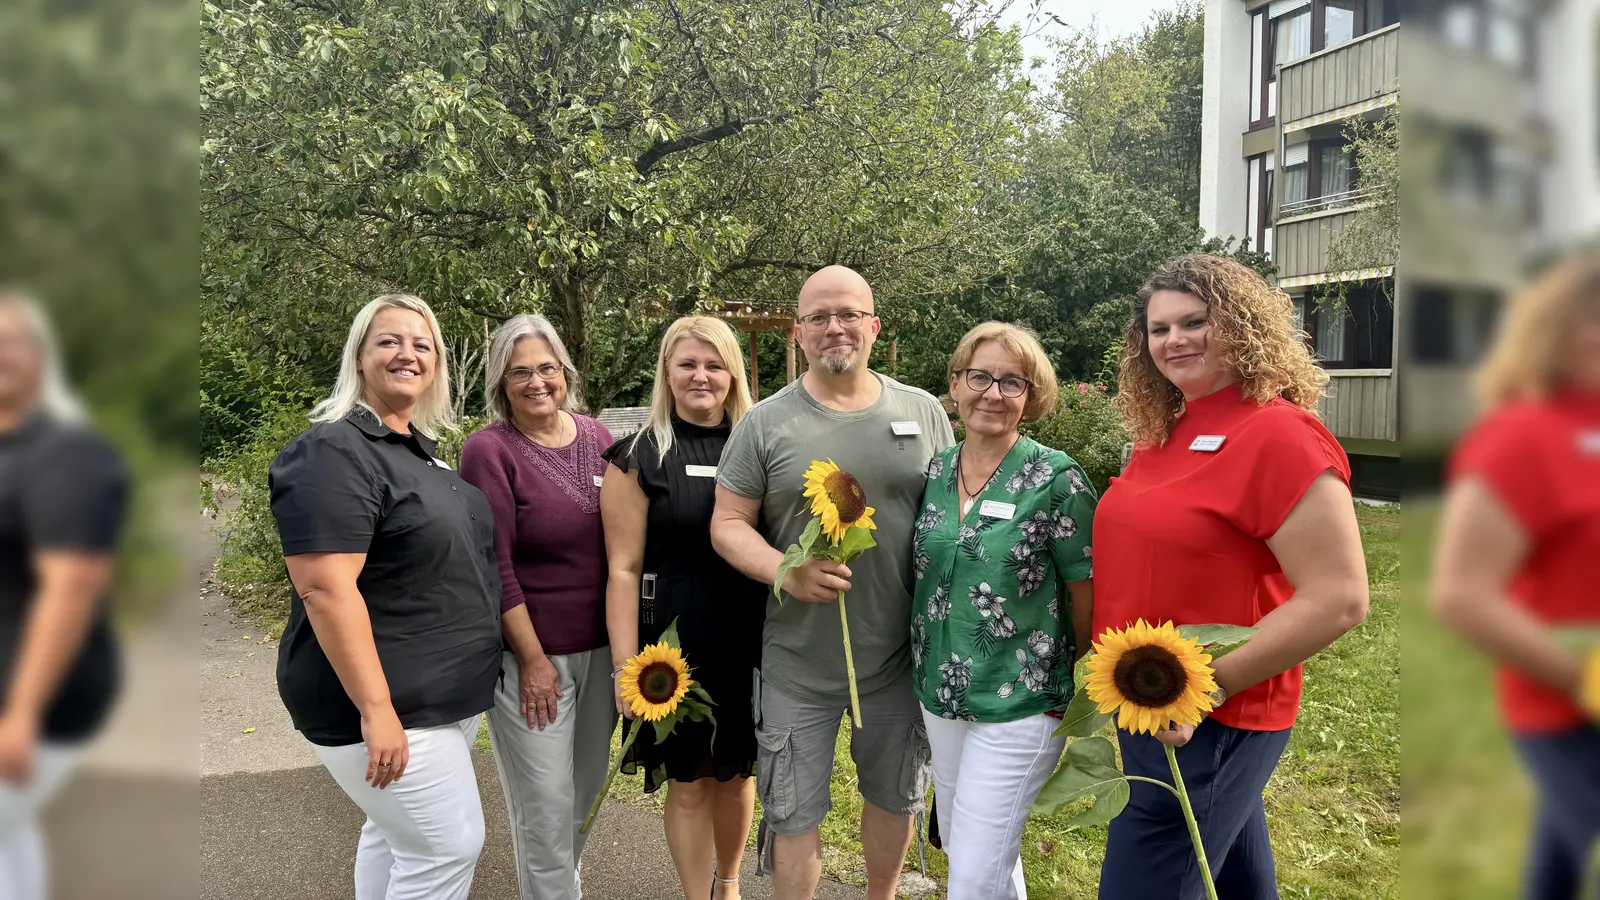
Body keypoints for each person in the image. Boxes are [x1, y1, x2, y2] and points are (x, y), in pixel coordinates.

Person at [1091, 254, 1369, 899]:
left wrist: (1200, 689)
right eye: (1158, 329)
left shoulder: (1280, 434)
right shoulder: (1167, 430)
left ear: (1242, 325)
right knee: (1236, 877)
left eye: (1195, 321)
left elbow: (1339, 598)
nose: (1174, 340)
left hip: (1213, 712)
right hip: (1147, 700)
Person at [710, 265, 954, 900]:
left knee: (895, 797)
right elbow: (728, 523)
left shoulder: (922, 412)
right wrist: (784, 570)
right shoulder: (764, 423)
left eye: (848, 314)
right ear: (798, 332)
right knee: (793, 814)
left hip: (899, 658)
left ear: (874, 326)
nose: (833, 327)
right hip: (797, 662)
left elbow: (956, 515)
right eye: (818, 317)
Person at [269, 293, 501, 900]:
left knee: (396, 837)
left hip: (440, 697)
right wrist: (377, 709)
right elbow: (324, 586)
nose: (408, 354)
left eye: (422, 344)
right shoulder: (333, 451)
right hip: (385, 701)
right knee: (447, 846)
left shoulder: (420, 454)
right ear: (359, 357)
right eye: (390, 341)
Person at [1431, 255, 1600, 900]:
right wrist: (1583, 678)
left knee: (1557, 866)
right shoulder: (1523, 437)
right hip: (1567, 709)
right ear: (1555, 329)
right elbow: (1462, 593)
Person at [911, 322, 1095, 900]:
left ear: (1031, 396)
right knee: (974, 844)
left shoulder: (1057, 480)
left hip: (1020, 699)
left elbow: (1088, 594)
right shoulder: (938, 471)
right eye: (980, 377)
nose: (993, 392)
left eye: (1011, 382)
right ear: (956, 385)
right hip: (940, 693)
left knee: (972, 869)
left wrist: (1068, 676)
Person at [600, 315, 764, 900]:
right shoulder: (637, 457)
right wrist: (626, 665)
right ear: (666, 374)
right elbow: (620, 569)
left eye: (714, 364)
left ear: (732, 374)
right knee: (690, 780)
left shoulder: (759, 443)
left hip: (750, 636)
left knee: (738, 770)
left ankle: (729, 884)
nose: (701, 376)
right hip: (672, 642)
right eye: (687, 364)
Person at [460, 314, 616, 900]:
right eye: (519, 371)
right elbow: (493, 563)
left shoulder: (601, 439)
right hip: (533, 656)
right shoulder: (489, 451)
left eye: (546, 368)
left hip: (602, 650)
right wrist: (532, 659)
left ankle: (553, 887)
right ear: (502, 382)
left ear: (564, 372)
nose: (536, 382)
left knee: (585, 791)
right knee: (545, 805)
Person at [0, 291, 127, 900]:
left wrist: (22, 715)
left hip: (35, 698)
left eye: (12, 341)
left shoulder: (65, 455)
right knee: (8, 838)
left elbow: (70, 588)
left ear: (40, 359)